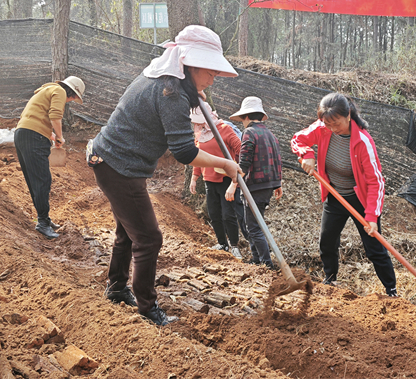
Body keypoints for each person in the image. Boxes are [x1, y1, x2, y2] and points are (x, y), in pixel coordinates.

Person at [87, 25, 240, 326]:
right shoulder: (170, 92)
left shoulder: (164, 80)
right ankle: (148, 308)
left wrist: (195, 96)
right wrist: (224, 164)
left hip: (111, 159)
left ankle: (117, 288)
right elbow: (184, 151)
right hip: (119, 166)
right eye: (210, 71)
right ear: (192, 65)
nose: (213, 78)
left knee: (127, 233)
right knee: (148, 237)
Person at [291, 92, 398, 297]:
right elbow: (297, 139)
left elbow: (376, 181)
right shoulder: (323, 128)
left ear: (348, 115)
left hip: (361, 200)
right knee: (327, 241)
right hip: (335, 196)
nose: (332, 129)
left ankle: (391, 290)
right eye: (328, 124)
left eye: (336, 123)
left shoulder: (363, 142)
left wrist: (372, 217)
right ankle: (330, 279)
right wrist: (307, 155)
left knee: (374, 247)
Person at [15, 76, 85, 239]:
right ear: (71, 92)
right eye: (73, 97)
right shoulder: (59, 91)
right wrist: (60, 136)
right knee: (43, 180)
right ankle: (43, 224)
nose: (71, 101)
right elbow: (55, 116)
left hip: (23, 134)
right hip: (34, 138)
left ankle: (44, 219)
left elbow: (37, 119)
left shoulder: (46, 90)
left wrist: (52, 137)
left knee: (35, 180)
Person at [226, 96, 282, 269]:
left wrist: (233, 184)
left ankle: (266, 264)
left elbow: (243, 163)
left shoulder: (249, 133)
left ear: (246, 117)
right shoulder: (270, 134)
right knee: (255, 224)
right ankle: (256, 259)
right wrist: (278, 183)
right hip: (267, 185)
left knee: (253, 227)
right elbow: (277, 160)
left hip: (254, 186)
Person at [189, 103, 243, 259]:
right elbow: (198, 157)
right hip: (209, 180)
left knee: (228, 215)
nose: (196, 124)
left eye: (198, 121)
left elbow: (240, 149)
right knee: (214, 214)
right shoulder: (199, 134)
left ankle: (234, 246)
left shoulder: (224, 129)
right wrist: (194, 178)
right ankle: (222, 243)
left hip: (226, 179)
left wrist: (237, 173)